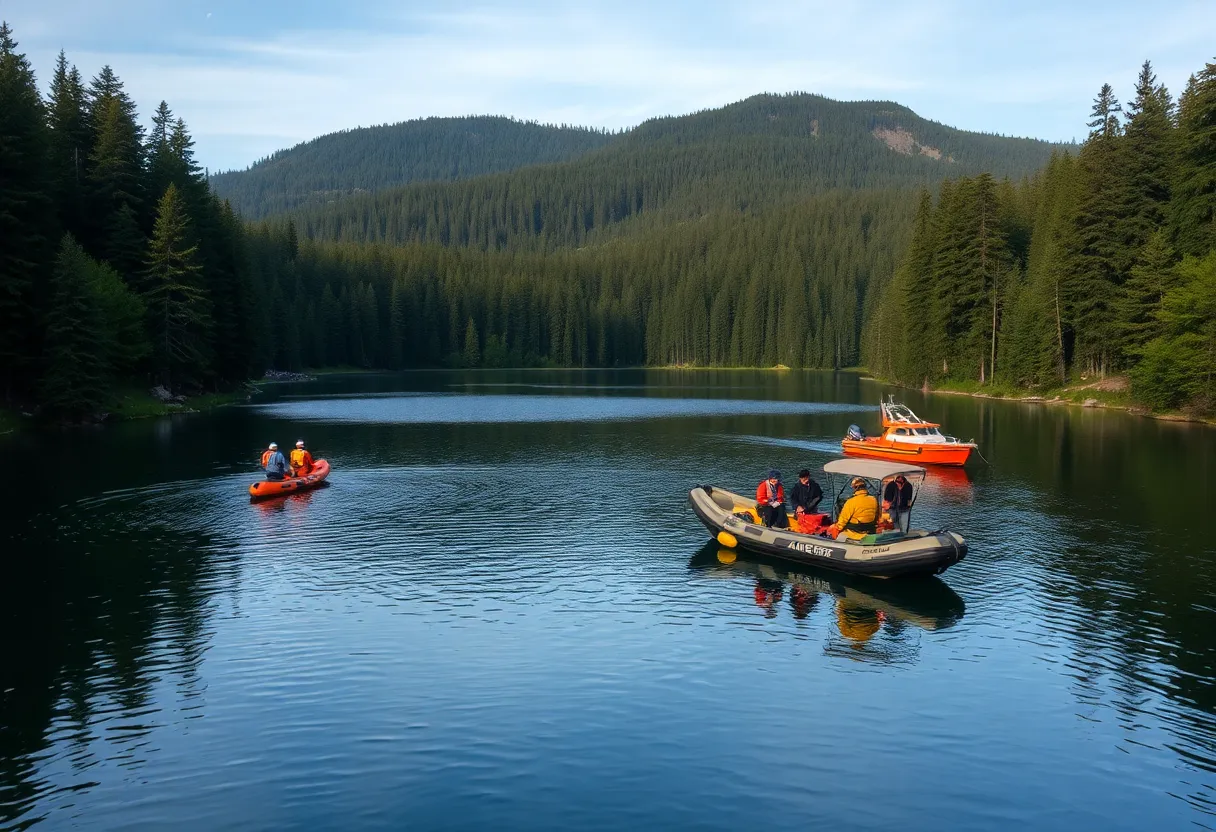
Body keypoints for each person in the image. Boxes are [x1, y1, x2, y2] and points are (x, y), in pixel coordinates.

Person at [833, 477, 878, 541]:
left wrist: (836, 528)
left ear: (855, 488)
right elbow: (876, 515)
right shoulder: (873, 499)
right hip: (869, 531)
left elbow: (842, 521)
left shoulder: (851, 502)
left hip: (854, 534)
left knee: (833, 529)